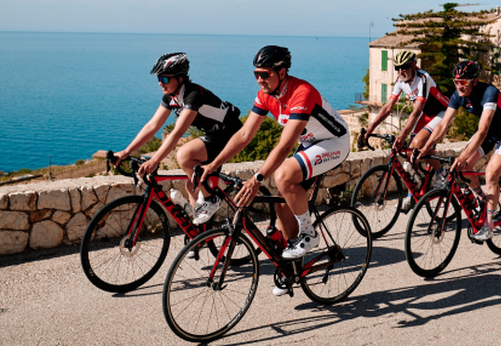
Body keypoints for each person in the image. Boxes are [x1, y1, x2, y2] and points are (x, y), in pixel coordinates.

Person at [201, 46, 350, 274]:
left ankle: (309, 234)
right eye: (256, 74)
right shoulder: (266, 95)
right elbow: (243, 135)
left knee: (283, 175)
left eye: (265, 74)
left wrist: (257, 179)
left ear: (282, 73)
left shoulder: (302, 92)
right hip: (311, 143)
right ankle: (292, 269)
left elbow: (285, 145)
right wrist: (213, 164)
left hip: (333, 142)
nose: (260, 80)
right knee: (281, 204)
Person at [114, 53, 243, 224]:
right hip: (214, 135)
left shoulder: (193, 94)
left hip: (231, 134)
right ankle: (198, 238)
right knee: (192, 186)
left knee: (184, 155)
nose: (160, 83)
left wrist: (155, 160)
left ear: (180, 78)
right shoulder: (171, 97)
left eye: (165, 79)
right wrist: (126, 151)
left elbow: (177, 132)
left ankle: (212, 200)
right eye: (159, 78)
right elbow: (153, 125)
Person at [417, 60, 501, 241]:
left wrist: (463, 155)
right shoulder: (457, 96)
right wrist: (425, 148)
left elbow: (482, 130)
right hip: (489, 133)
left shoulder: (489, 93)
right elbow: (443, 125)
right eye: (456, 82)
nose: (459, 86)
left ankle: (488, 225)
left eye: (463, 82)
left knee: (490, 174)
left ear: (474, 81)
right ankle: (483, 199)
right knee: (464, 168)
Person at [362, 50, 450, 204]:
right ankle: (413, 194)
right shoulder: (400, 81)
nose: (400, 71)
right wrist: (370, 130)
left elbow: (416, 112)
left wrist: (402, 136)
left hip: (442, 112)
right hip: (426, 114)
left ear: (413, 66)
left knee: (416, 145)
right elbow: (387, 107)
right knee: (410, 153)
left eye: (404, 67)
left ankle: (442, 174)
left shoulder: (423, 78)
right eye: (397, 68)